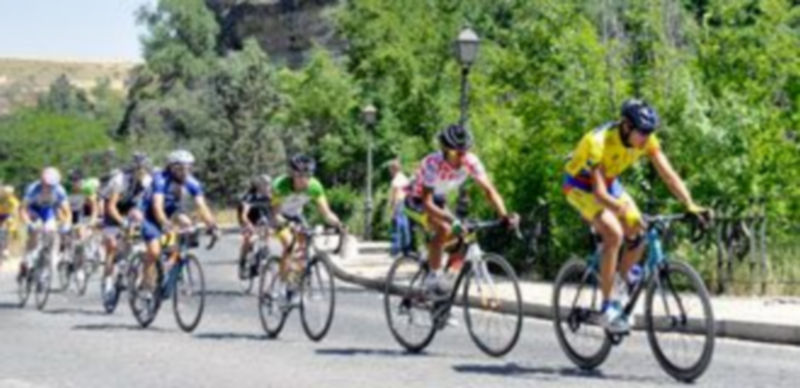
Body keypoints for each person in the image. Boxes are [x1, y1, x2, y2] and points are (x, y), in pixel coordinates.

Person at [562, 99, 710, 333]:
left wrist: (690, 204)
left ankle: (618, 288)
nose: (646, 138)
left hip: (609, 182)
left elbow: (668, 174)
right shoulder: (597, 142)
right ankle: (608, 305)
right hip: (580, 186)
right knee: (614, 233)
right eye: (642, 132)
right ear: (626, 126)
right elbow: (599, 194)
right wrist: (618, 209)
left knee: (639, 231)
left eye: (649, 132)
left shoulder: (646, 140)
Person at [404, 124, 519, 295]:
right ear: (445, 149)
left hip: (439, 201)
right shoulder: (432, 163)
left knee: (463, 236)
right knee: (445, 228)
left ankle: (443, 296)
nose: (461, 156)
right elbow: (427, 203)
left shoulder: (470, 161)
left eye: (464, 151)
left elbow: (489, 190)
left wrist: (504, 215)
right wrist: (453, 221)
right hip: (417, 200)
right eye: (456, 152)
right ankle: (433, 276)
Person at [138, 150, 217, 294]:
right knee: (155, 251)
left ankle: (171, 265)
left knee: (186, 226)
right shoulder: (161, 179)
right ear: (171, 168)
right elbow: (157, 206)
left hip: (171, 212)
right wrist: (164, 223)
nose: (184, 172)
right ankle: (146, 285)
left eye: (188, 168)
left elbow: (201, 205)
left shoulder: (192, 182)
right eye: (180, 168)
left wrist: (212, 225)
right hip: (150, 215)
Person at [270, 155, 342, 295]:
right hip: (279, 216)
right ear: (292, 175)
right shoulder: (281, 185)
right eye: (300, 176)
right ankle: (282, 284)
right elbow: (276, 214)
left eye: (308, 175)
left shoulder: (314, 186)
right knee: (290, 243)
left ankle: (294, 282)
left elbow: (326, 213)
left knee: (304, 249)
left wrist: (339, 224)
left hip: (296, 215)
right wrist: (286, 223)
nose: (304, 180)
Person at [101, 152, 153, 298]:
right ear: (133, 169)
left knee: (136, 240)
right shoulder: (120, 180)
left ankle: (136, 274)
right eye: (139, 169)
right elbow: (111, 207)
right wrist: (121, 222)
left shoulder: (148, 181)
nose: (142, 172)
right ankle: (108, 281)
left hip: (131, 208)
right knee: (112, 245)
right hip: (114, 209)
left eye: (144, 169)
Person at [18, 167, 71, 281]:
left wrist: (66, 224)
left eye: (51, 185)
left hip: (47, 211)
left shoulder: (59, 190)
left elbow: (67, 211)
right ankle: (27, 260)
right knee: (35, 234)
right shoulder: (32, 189)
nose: (48, 187)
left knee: (52, 231)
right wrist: (28, 223)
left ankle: (50, 258)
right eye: (46, 184)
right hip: (33, 211)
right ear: (41, 181)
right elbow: (22, 209)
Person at [237, 174, 272, 279]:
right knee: (248, 239)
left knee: (268, 232)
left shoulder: (271, 196)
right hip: (248, 218)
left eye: (269, 185)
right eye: (265, 185)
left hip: (261, 219)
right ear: (258, 186)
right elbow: (243, 215)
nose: (267, 187)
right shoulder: (250, 196)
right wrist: (249, 226)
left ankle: (264, 252)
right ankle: (242, 263)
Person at [387, 159, 411, 256]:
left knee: (395, 227)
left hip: (398, 204)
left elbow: (396, 195)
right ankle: (407, 249)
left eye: (390, 169)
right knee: (404, 227)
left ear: (394, 169)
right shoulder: (405, 179)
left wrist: (393, 210)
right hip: (405, 204)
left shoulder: (396, 180)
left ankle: (395, 250)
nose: (390, 172)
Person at [0, 185, 20, 259]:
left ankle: (6, 249)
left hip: (10, 218)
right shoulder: (2, 200)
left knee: (8, 232)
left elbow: (15, 211)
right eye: (4, 192)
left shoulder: (13, 201)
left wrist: (10, 218)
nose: (4, 194)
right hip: (2, 216)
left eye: (6, 193)